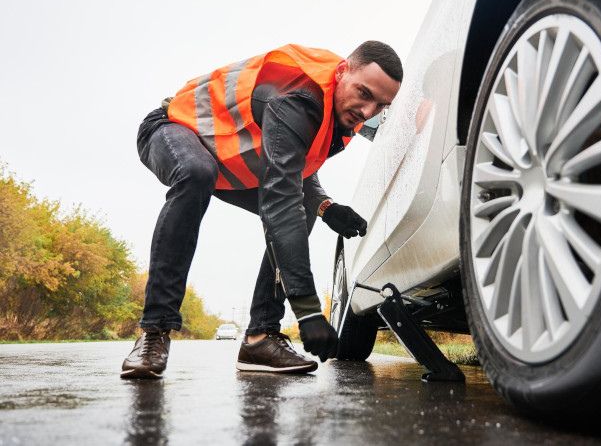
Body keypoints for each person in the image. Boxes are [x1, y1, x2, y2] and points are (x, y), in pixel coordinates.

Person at [121, 41, 402, 379]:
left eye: (380, 105)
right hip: (171, 128)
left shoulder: (343, 109)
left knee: (299, 204)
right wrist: (308, 310)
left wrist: (325, 207)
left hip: (227, 162)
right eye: (364, 93)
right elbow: (279, 201)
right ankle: (154, 332)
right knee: (197, 174)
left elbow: (296, 169)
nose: (368, 111)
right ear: (342, 71)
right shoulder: (296, 96)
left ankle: (260, 337)